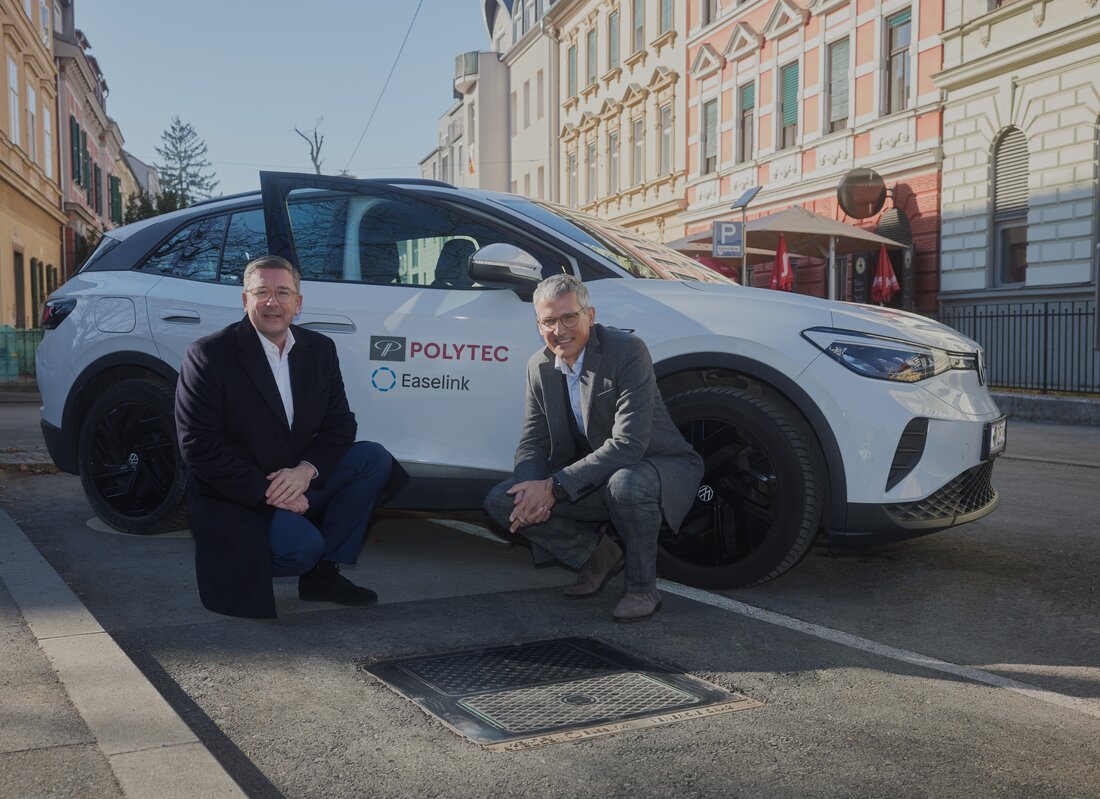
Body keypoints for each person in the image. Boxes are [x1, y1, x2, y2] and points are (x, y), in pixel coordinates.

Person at [175, 255, 405, 619]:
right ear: (245, 300)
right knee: (302, 549)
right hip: (238, 492)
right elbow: (198, 446)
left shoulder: (319, 350)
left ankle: (322, 578)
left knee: (372, 459)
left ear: (298, 304)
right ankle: (255, 566)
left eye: (283, 293)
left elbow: (340, 425)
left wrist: (305, 471)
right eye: (261, 292)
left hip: (295, 477)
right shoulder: (209, 355)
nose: (272, 302)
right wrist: (271, 492)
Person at [485, 274, 704, 622]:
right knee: (502, 500)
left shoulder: (627, 352)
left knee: (625, 484)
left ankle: (642, 587)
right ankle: (597, 556)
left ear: (590, 314)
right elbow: (533, 440)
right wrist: (531, 488)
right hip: (593, 478)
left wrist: (554, 487)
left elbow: (629, 444)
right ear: (538, 324)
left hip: (655, 466)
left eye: (569, 317)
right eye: (548, 321)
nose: (560, 330)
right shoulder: (538, 367)